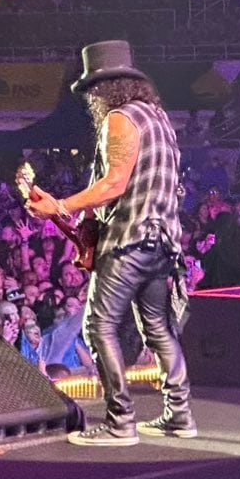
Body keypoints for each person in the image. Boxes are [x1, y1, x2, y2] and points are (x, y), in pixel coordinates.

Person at [26, 40, 195, 446]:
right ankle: (179, 415)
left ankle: (120, 422)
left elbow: (115, 183)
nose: (91, 98)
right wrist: (82, 223)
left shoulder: (120, 119)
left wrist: (60, 205)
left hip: (130, 241)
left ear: (106, 87)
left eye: (93, 89)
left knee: (98, 324)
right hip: (161, 243)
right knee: (157, 327)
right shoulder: (158, 118)